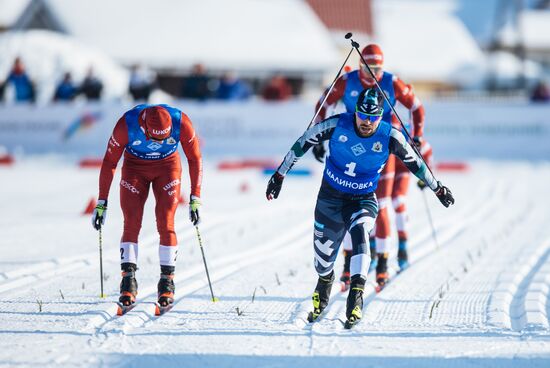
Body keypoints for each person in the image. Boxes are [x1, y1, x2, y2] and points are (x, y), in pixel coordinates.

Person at [266, 87, 454, 327]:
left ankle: (356, 293)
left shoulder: (390, 136)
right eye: (362, 116)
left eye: (373, 117)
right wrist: (279, 176)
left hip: (363, 198)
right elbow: (302, 143)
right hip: (330, 198)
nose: (367, 122)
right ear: (355, 112)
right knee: (322, 261)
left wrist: (437, 188)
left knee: (360, 232)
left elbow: (416, 162)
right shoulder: (337, 125)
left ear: (380, 117)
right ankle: (324, 282)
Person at [312, 44, 429, 290]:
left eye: (377, 67)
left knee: (384, 204)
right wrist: (320, 138)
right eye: (367, 66)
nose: (372, 72)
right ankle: (347, 265)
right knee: (345, 206)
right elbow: (323, 104)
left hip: (379, 152)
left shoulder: (391, 83)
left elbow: (417, 108)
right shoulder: (347, 81)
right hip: (347, 149)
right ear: (359, 64)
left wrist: (416, 136)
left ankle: (384, 264)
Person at [91, 104, 203, 309]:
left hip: (168, 168)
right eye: (156, 139)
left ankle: (167, 281)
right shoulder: (127, 124)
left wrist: (196, 197)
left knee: (166, 220)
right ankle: (128, 281)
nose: (160, 143)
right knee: (131, 222)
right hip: (135, 169)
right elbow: (109, 162)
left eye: (165, 139)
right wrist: (102, 202)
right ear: (144, 128)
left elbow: (194, 158)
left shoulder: (181, 122)